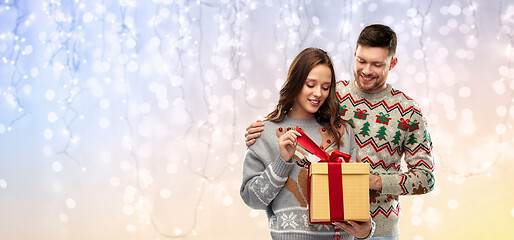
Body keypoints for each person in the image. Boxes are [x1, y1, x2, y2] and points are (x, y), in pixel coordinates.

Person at [245, 24, 435, 239]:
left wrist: (374, 181)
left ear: (393, 64)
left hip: (380, 229)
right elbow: (297, 115)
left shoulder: (408, 111)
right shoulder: (333, 94)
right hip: (330, 225)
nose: (366, 70)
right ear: (354, 53)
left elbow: (426, 178)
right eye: (361, 61)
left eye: (377, 64)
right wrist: (262, 132)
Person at [240, 47, 375, 240]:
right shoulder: (265, 133)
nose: (318, 93)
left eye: (325, 87)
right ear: (295, 82)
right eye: (310, 84)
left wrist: (366, 232)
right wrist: (281, 163)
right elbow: (253, 200)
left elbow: (354, 201)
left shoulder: (342, 132)